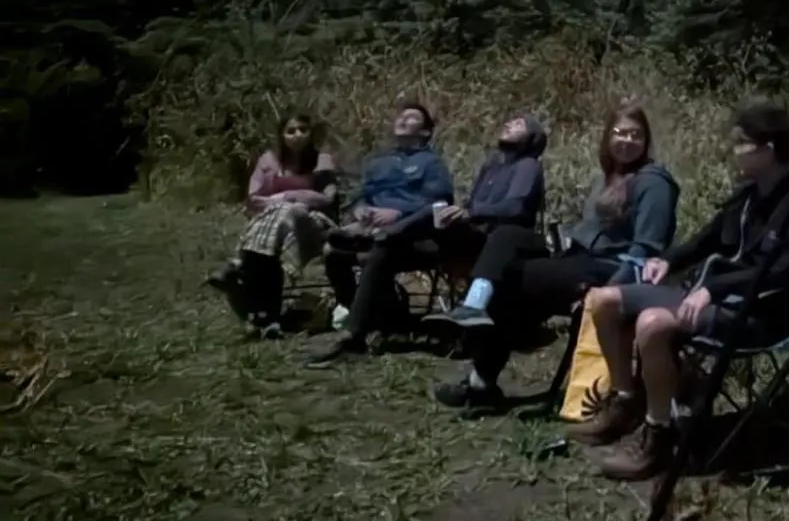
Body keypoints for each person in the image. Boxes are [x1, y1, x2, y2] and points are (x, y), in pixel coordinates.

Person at [572, 100, 789, 482]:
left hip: (763, 313)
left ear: (767, 149)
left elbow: (782, 273)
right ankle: (625, 403)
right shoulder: (748, 196)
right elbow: (707, 239)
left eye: (742, 143)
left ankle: (659, 439)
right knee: (604, 301)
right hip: (714, 297)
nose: (734, 151)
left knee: (653, 324)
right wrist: (668, 261)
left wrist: (713, 290)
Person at [429, 102, 679, 410]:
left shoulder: (654, 182)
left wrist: (607, 293)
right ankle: (482, 341)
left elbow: (647, 249)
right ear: (607, 138)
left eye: (635, 135)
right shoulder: (608, 179)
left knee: (514, 278)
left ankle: (490, 370)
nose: (626, 141)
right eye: (619, 133)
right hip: (577, 259)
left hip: (610, 271)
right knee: (507, 255)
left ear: (645, 141)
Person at [309, 113, 548, 362]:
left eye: (518, 124)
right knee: (384, 253)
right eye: (510, 121)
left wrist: (468, 213)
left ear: (532, 138)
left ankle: (376, 237)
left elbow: (514, 208)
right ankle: (353, 335)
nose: (509, 123)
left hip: (491, 243)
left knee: (435, 208)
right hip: (457, 238)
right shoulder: (492, 166)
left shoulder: (527, 165)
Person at [206, 112, 338, 336]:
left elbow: (328, 198)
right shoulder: (269, 161)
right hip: (275, 224)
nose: (297, 135)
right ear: (282, 135)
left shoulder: (321, 160)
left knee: (285, 211)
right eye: (291, 131)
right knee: (279, 218)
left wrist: (289, 196)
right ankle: (268, 318)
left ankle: (237, 265)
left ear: (310, 133)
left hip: (313, 221)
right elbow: (253, 198)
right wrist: (285, 202)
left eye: (302, 130)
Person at [322, 100, 455, 315]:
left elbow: (439, 201)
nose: (402, 119)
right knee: (331, 252)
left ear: (425, 132)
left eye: (412, 117)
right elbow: (360, 193)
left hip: (411, 232)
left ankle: (380, 315)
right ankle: (356, 308)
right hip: (370, 224)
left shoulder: (431, 163)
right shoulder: (378, 161)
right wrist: (360, 208)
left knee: (371, 254)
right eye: (401, 116)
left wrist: (398, 213)